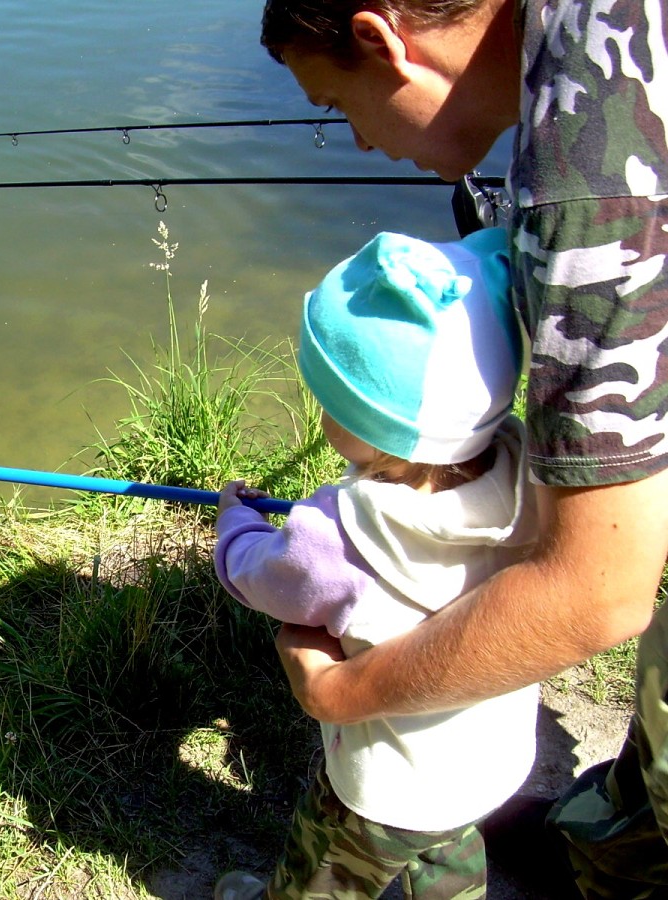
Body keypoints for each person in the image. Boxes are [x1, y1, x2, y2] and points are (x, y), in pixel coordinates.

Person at [231, 0, 668, 896]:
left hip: (382, 786)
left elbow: (599, 596)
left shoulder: (588, 183)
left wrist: (337, 694)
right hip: (483, 769)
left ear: (379, 39)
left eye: (336, 106)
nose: (356, 141)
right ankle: (618, 835)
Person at [213, 226, 537, 898]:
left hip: (388, 780)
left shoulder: (334, 532)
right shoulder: (533, 478)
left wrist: (233, 521)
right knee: (447, 849)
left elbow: (260, 576)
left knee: (326, 856)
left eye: (332, 395)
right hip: (486, 761)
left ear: (365, 422)